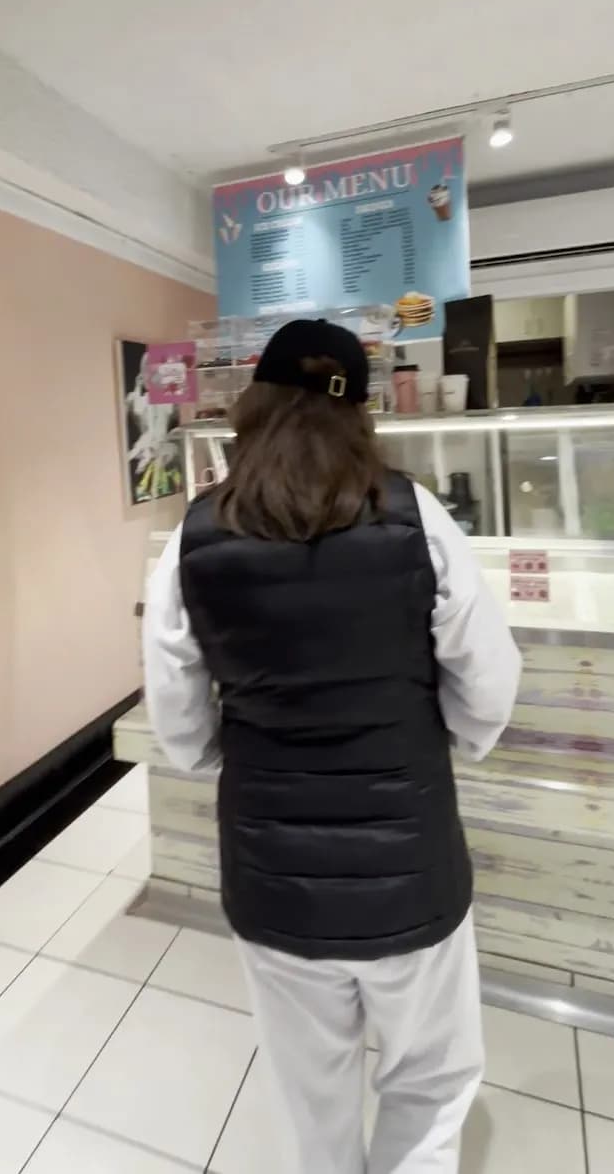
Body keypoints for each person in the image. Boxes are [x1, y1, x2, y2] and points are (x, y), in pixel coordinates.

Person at [143, 318, 521, 1174]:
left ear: (255, 404)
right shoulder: (415, 516)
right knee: (429, 1080)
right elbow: (489, 681)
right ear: (363, 412)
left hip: (273, 876)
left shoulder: (193, 537)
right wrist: (446, 741)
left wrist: (224, 755)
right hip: (411, 869)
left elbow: (178, 720)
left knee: (307, 1090)